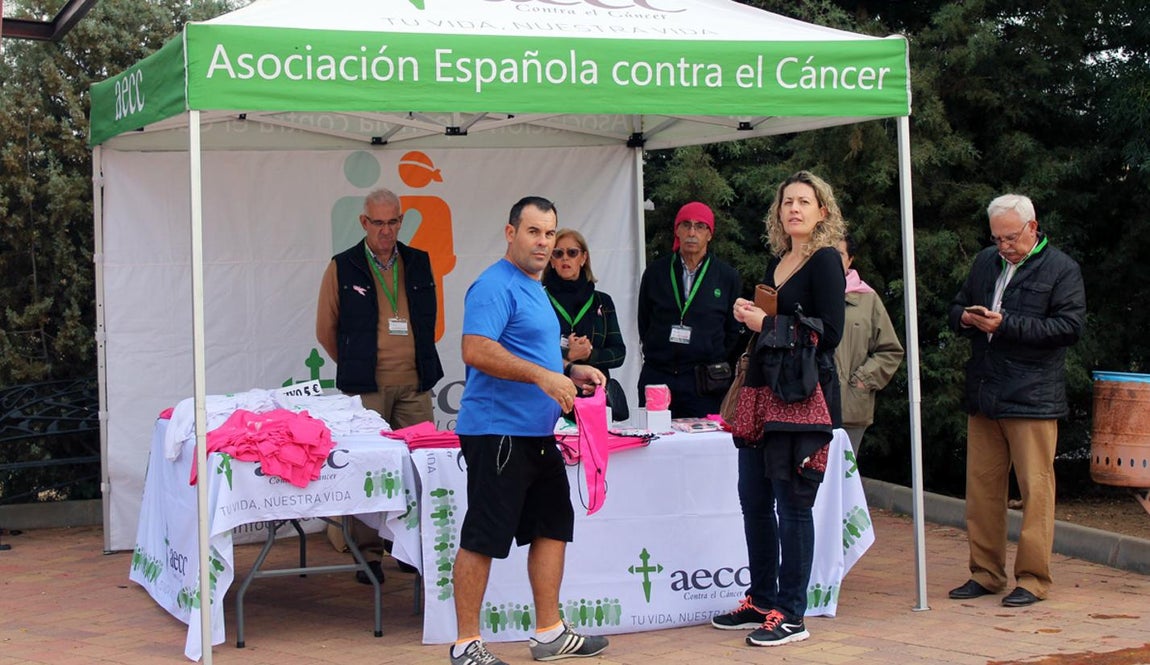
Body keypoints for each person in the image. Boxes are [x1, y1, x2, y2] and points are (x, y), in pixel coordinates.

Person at [449, 197, 609, 665]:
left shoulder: (534, 286)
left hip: (535, 435)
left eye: (550, 234)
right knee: (484, 536)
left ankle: (549, 633)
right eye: (534, 232)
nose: (543, 243)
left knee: (552, 526)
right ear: (510, 232)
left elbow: (527, 353)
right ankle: (466, 645)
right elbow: (475, 349)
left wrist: (567, 370)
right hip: (498, 434)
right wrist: (543, 377)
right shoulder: (493, 284)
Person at [712, 171, 846, 647]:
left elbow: (830, 333)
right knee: (753, 499)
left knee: (792, 505)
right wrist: (750, 316)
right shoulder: (778, 261)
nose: (794, 209)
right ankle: (762, 598)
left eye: (804, 202)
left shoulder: (826, 260)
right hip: (761, 398)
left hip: (801, 400)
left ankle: (792, 614)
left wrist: (766, 320)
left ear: (821, 212)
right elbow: (775, 326)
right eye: (787, 202)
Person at [946, 194, 1085, 608]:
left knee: (1035, 491)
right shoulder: (986, 262)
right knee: (982, 490)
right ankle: (986, 574)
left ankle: (1033, 578)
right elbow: (955, 306)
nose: (1004, 246)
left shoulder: (1062, 268)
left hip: (1032, 396)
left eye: (1010, 237)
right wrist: (966, 318)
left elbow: (1069, 327)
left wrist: (1006, 325)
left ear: (1032, 227)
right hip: (986, 391)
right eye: (997, 238)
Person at [316, 187, 444, 584]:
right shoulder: (344, 266)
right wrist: (357, 365)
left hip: (414, 385)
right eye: (378, 222)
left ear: (401, 222)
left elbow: (431, 322)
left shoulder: (420, 262)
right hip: (368, 387)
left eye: (393, 222)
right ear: (364, 223)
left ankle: (409, 550)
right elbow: (326, 330)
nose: (386, 230)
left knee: (416, 470)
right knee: (367, 473)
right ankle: (368, 555)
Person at [636, 202, 742, 418]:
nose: (692, 232)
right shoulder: (656, 272)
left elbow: (734, 330)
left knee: (703, 447)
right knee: (654, 444)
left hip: (704, 381)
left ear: (710, 234)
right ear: (677, 230)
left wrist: (713, 354)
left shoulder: (727, 277)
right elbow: (644, 321)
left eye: (700, 226)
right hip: (659, 376)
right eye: (686, 225)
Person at [543, 228, 627, 417]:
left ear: (583, 258)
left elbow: (619, 354)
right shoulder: (539, 299)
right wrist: (568, 354)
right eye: (558, 253)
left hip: (594, 400)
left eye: (572, 253)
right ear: (551, 260)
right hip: (551, 400)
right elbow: (532, 351)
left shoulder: (603, 301)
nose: (565, 258)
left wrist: (589, 355)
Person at [834, 233, 904, 455]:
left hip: (850, 408)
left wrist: (862, 380)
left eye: (839, 254)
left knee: (845, 476)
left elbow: (890, 350)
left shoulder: (868, 299)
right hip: (809, 406)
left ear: (850, 259)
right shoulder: (808, 293)